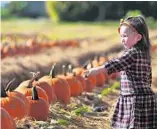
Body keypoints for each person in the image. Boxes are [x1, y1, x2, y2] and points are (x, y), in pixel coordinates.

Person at [84, 15, 157, 129]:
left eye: (125, 36)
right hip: (145, 98)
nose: (122, 39)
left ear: (138, 37)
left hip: (135, 100)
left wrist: (97, 69)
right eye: (121, 36)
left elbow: (117, 63)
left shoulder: (132, 53)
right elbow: (147, 77)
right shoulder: (143, 54)